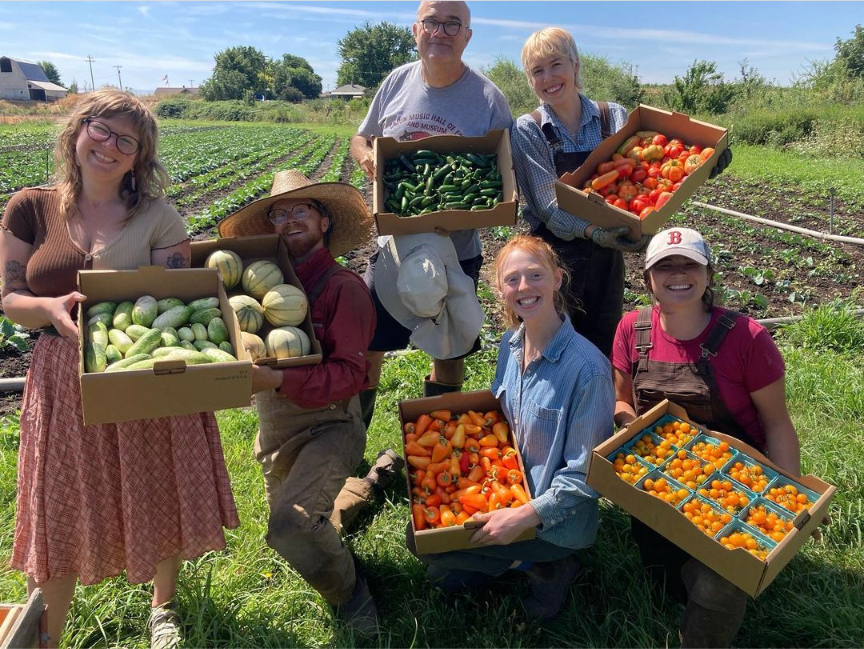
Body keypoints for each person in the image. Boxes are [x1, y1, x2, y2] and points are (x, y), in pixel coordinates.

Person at [0, 89, 239, 649]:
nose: (108, 146)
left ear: (139, 155)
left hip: (143, 372)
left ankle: (163, 608)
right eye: (100, 130)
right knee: (62, 498)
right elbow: (9, 296)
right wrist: (49, 309)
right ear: (77, 132)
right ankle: (47, 630)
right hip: (62, 374)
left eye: (125, 140)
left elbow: (177, 301)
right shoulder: (30, 206)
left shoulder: (158, 217)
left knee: (159, 482)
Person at [217, 169, 404, 638]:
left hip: (331, 425)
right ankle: (379, 477)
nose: (289, 219)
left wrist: (275, 378)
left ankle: (353, 591)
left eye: (302, 209)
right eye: (279, 213)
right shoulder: (251, 293)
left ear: (324, 223)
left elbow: (350, 376)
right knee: (311, 522)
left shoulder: (344, 288)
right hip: (276, 428)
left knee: (292, 526)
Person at [406, 234, 614, 622]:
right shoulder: (510, 344)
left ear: (557, 278)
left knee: (429, 549)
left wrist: (522, 518)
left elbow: (587, 476)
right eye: (512, 279)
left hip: (554, 522)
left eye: (534, 275)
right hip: (506, 486)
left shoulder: (587, 370)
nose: (524, 287)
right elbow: (499, 422)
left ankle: (550, 566)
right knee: (434, 562)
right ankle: (521, 562)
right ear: (500, 290)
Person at [610, 227, 801, 647]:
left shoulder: (746, 337)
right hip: (662, 475)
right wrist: (642, 433)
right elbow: (622, 403)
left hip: (737, 476)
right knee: (664, 585)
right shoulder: (631, 328)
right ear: (648, 280)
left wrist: (790, 499)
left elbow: (777, 423)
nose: (678, 274)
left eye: (689, 265)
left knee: (721, 582)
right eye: (665, 266)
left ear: (708, 274)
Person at [512, 28, 732, 357]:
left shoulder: (610, 116)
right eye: (537, 71)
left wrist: (699, 166)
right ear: (530, 80)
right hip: (551, 256)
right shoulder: (529, 128)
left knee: (603, 345)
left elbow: (647, 177)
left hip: (606, 259)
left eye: (556, 64)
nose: (549, 77)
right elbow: (548, 206)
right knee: (550, 351)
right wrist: (594, 232)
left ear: (575, 64)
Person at [349, 0, 513, 428]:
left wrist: (465, 214)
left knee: (451, 346)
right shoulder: (396, 81)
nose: (440, 31)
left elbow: (503, 172)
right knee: (371, 343)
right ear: (416, 30)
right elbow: (361, 137)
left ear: (467, 35)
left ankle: (436, 436)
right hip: (393, 246)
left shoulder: (488, 99)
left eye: (452, 24)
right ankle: (350, 443)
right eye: (431, 22)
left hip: (457, 249)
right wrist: (366, 154)